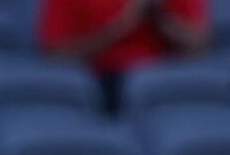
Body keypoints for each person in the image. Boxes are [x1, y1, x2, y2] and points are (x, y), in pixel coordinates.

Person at [39, 0, 210, 115]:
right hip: (103, 78)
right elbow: (56, 53)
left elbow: (198, 45)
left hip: (166, 76)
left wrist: (161, 18)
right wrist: (124, 24)